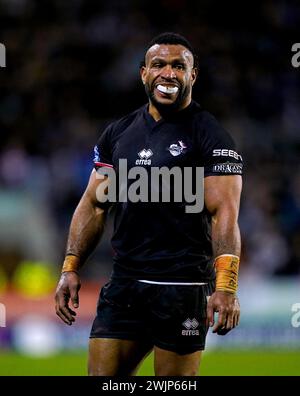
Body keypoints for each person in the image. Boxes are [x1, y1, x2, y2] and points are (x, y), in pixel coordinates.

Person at [55, 32, 243, 376]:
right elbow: (94, 205)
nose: (168, 73)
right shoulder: (118, 133)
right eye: (158, 64)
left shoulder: (211, 136)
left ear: (192, 75)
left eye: (178, 66)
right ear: (144, 73)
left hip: (182, 286)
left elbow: (224, 215)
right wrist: (69, 268)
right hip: (125, 282)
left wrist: (226, 287)